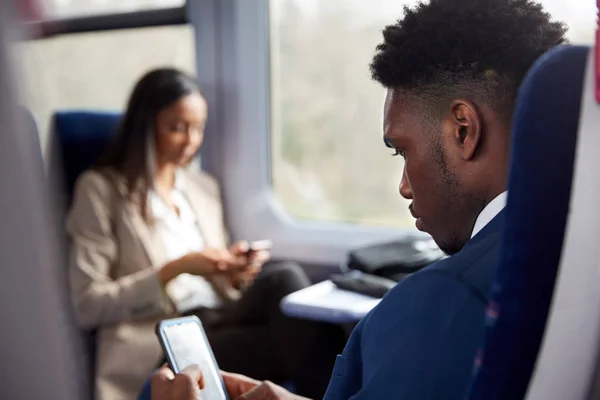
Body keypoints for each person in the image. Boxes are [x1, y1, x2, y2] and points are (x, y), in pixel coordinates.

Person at [145, 0, 568, 399]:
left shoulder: (441, 303)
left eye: (402, 150)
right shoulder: (568, 250)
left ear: (463, 130)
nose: (403, 186)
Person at [66, 68, 345, 400]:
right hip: (163, 338)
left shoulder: (202, 188)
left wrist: (233, 271)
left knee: (285, 281)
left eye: (198, 128)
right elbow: (87, 304)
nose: (191, 141)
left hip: (216, 316)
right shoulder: (101, 190)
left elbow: (219, 287)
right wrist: (176, 268)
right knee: (299, 333)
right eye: (177, 127)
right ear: (146, 125)